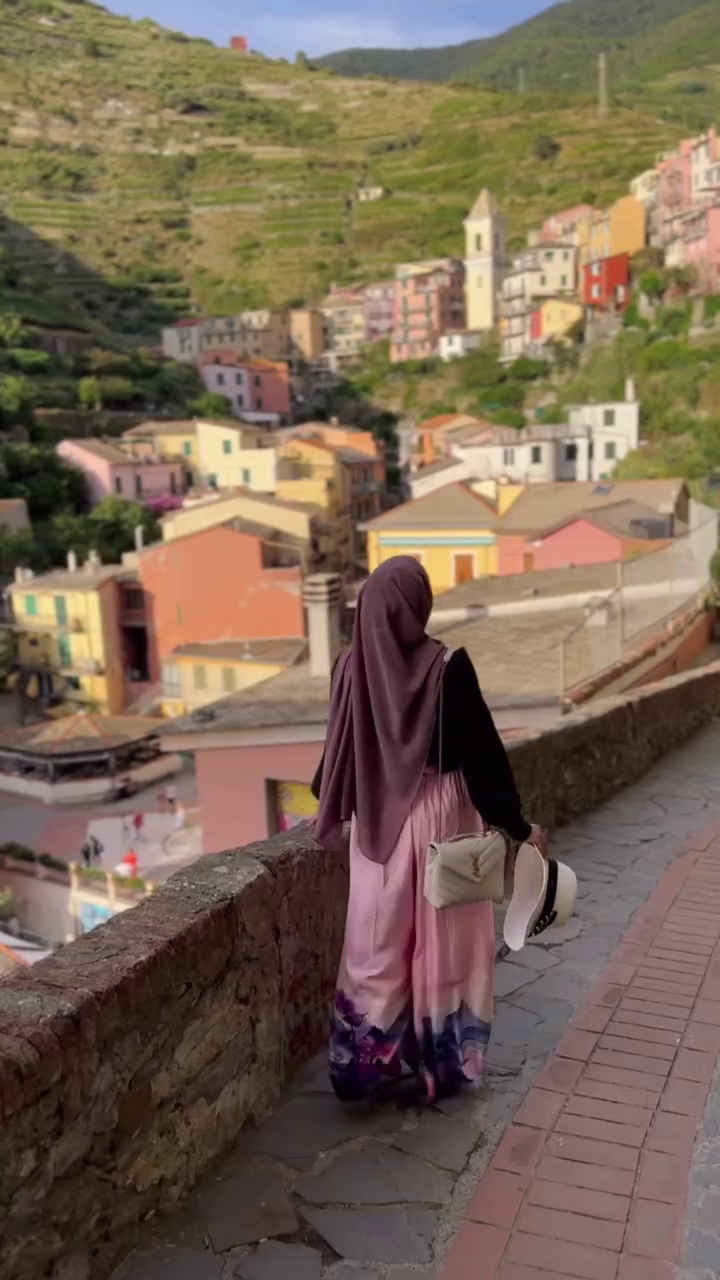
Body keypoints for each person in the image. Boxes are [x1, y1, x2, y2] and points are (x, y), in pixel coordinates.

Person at [312, 556, 546, 1105]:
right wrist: (519, 826)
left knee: (375, 945)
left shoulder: (350, 667)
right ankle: (441, 1062)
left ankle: (360, 1068)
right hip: (444, 818)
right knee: (447, 947)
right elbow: (485, 758)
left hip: (377, 826)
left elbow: (340, 752)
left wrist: (334, 801)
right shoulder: (448, 667)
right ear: (418, 605)